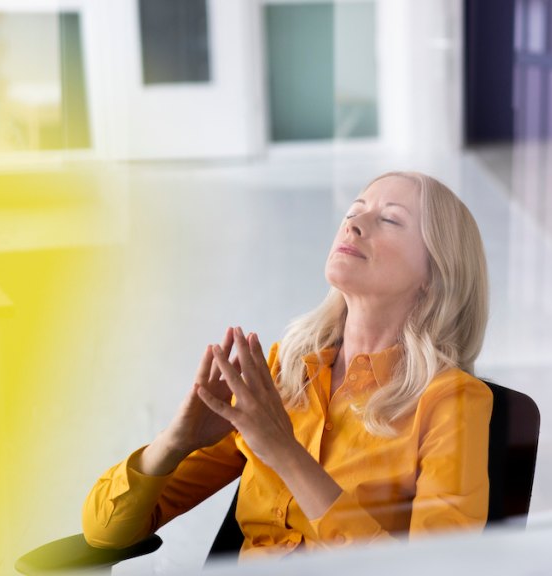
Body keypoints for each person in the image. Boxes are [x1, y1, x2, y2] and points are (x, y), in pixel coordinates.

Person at [81, 171, 492, 560]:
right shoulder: (283, 371)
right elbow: (104, 532)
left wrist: (284, 451)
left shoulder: (452, 402)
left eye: (388, 219)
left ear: (434, 275)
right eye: (353, 211)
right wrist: (174, 443)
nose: (354, 224)